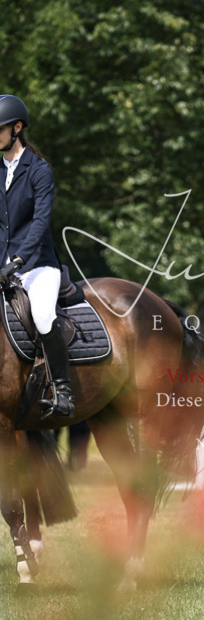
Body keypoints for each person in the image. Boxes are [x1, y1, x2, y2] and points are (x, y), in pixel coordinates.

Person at [0, 95, 75, 417]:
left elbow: (41, 222)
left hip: (36, 264)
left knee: (44, 314)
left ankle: (63, 392)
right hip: (2, 265)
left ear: (17, 128)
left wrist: (16, 261)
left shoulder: (39, 170)